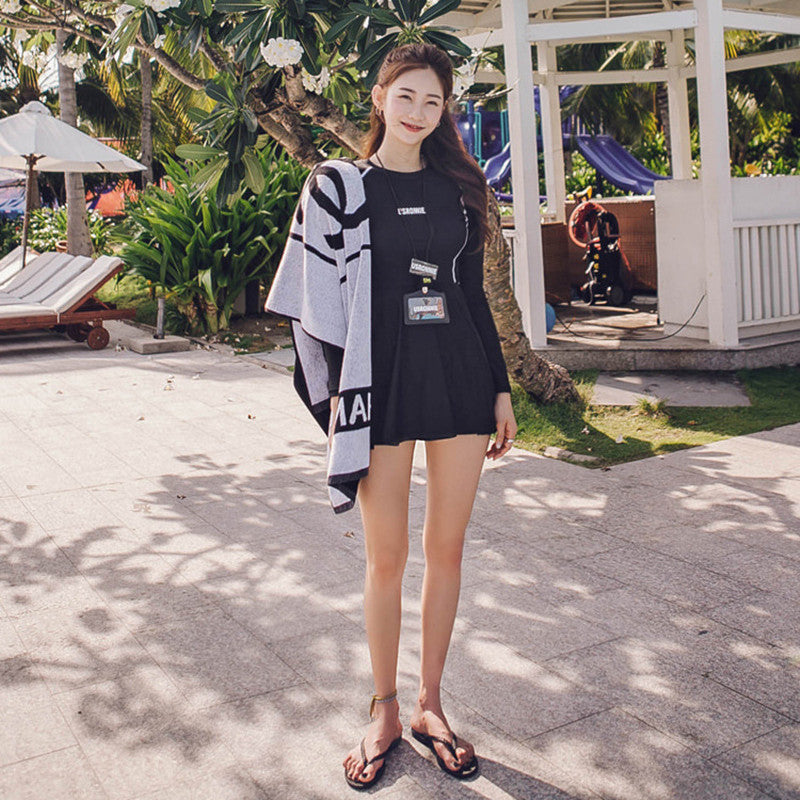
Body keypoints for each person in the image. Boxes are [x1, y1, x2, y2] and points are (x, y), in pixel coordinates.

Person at [268, 42, 517, 791]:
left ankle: (431, 705)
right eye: (405, 95)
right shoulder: (340, 187)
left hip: (460, 379)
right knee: (386, 558)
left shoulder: (459, 189)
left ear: (445, 111)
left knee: (448, 550)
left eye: (432, 101)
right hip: (379, 386)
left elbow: (470, 294)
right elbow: (309, 303)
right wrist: (334, 396)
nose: (418, 111)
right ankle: (383, 709)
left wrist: (501, 389)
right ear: (379, 98)